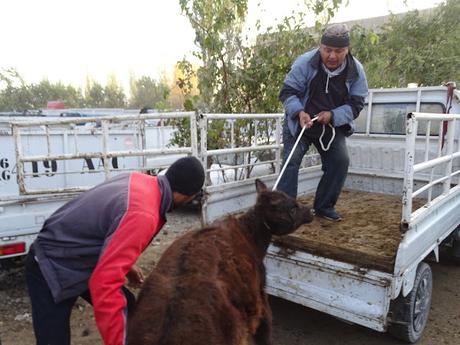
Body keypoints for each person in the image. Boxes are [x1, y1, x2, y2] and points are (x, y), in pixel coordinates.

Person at [25, 156, 205, 345]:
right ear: (187, 195)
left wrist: (126, 267)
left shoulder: (141, 181)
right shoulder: (144, 214)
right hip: (50, 265)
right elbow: (104, 284)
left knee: (127, 306)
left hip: (77, 257)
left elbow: (108, 228)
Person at [277, 23, 368, 221]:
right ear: (320, 47)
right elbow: (287, 92)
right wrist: (299, 112)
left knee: (340, 161)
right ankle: (285, 212)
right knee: (291, 161)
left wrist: (334, 115)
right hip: (301, 123)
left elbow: (357, 104)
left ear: (347, 50)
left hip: (331, 126)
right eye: (327, 50)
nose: (332, 56)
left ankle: (324, 207)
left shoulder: (356, 71)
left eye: (339, 51)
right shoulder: (305, 63)